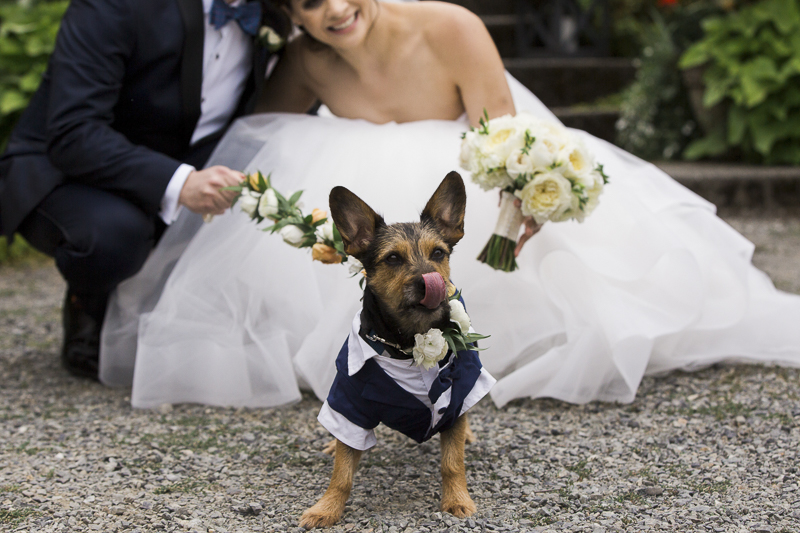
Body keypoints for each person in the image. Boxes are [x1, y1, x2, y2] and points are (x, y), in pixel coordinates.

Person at [101, 0, 800, 408]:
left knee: (573, 292)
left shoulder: (452, 26)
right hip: (372, 207)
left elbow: (503, 138)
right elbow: (256, 136)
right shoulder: (307, 63)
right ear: (290, 18)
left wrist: (516, 206)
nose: (336, 10)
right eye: (311, 4)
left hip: (458, 182)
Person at [0, 0, 288, 379]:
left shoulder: (278, 14)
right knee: (114, 237)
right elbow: (74, 131)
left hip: (182, 157)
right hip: (66, 171)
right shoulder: (115, 5)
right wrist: (180, 182)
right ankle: (87, 298)